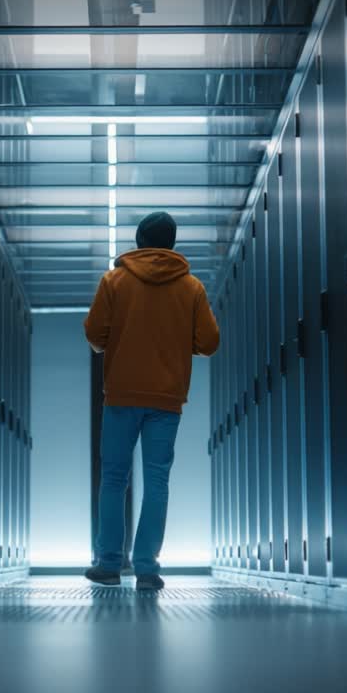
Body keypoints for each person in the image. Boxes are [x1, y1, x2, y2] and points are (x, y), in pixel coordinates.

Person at [83, 211, 220, 590]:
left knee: (114, 478)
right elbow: (209, 343)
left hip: (121, 394)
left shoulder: (115, 281)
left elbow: (95, 334)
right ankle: (146, 568)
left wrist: (114, 345)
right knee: (157, 481)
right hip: (167, 398)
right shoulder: (191, 288)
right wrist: (178, 345)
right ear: (172, 243)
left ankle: (109, 564)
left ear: (139, 240)